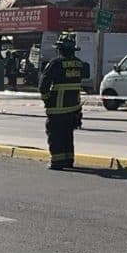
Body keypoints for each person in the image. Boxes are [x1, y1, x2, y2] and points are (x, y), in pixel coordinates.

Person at [39, 32, 84, 170]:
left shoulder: (55, 63)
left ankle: (57, 161)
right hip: (73, 107)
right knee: (67, 135)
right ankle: (68, 159)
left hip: (57, 107)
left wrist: (47, 99)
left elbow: (43, 84)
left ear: (60, 49)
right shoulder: (79, 64)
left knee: (56, 134)